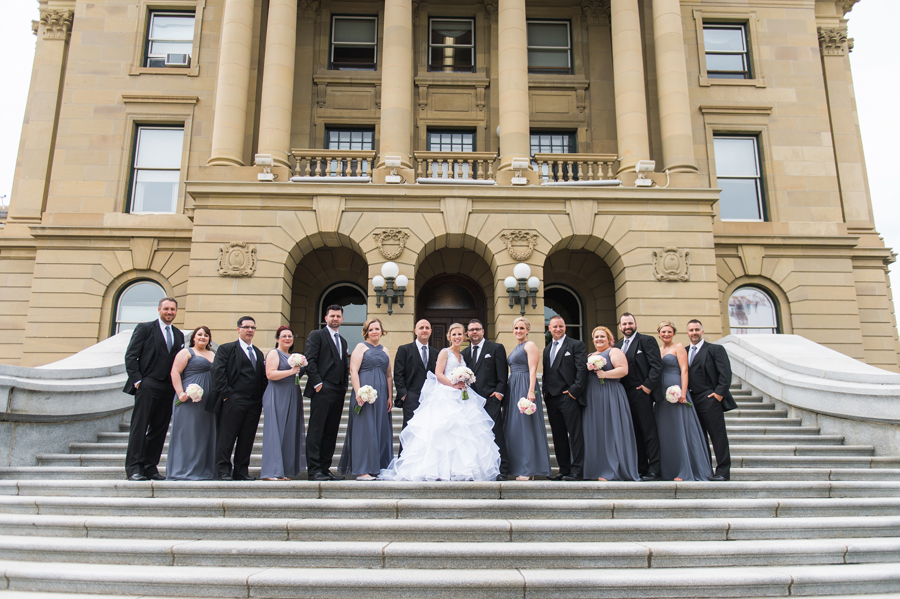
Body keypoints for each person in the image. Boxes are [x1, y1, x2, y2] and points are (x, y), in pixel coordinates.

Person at [379, 323, 500, 481]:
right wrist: (453, 384)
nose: (457, 337)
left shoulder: (463, 356)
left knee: (464, 433)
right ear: (449, 336)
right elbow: (438, 373)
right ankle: (437, 470)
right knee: (443, 431)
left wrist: (464, 381)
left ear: (464, 337)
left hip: (462, 396)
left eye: (460, 334)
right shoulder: (444, 352)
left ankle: (459, 470)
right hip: (445, 396)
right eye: (454, 334)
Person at [123, 297, 184, 481]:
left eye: (172, 309)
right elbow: (131, 356)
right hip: (148, 384)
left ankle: (150, 466)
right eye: (166, 309)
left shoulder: (179, 334)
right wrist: (138, 381)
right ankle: (134, 468)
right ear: (159, 310)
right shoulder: (145, 328)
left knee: (159, 429)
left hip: (167, 388)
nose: (169, 312)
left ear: (176, 311)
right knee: (139, 427)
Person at [206, 316, 268, 481]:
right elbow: (217, 372)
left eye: (253, 328)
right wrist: (227, 395)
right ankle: (223, 471)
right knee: (227, 437)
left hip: (253, 403)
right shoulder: (227, 349)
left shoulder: (258, 353)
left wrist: (260, 399)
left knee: (247, 438)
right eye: (246, 327)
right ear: (238, 329)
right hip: (233, 400)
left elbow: (262, 378)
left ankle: (241, 471)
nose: (250, 330)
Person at [655, 321, 712, 481]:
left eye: (669, 332)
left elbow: (684, 369)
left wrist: (683, 392)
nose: (666, 334)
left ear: (673, 333)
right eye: (663, 332)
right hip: (662, 396)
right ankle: (669, 470)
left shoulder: (679, 347)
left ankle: (685, 470)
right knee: (666, 432)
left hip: (676, 389)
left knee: (680, 429)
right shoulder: (658, 350)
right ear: (659, 334)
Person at [339, 318, 394, 480]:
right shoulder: (361, 347)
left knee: (380, 429)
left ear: (381, 331)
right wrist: (358, 392)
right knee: (365, 430)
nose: (374, 332)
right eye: (371, 330)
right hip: (364, 394)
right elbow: (353, 370)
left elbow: (389, 375)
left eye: (377, 329)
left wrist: (390, 396)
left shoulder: (385, 350)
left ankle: (379, 467)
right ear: (366, 332)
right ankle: (363, 470)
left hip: (382, 395)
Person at [583, 325, 639, 481]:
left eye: (602, 336)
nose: (599, 339)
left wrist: (605, 374)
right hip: (593, 397)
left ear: (609, 339)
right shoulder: (591, 354)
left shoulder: (614, 351)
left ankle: (611, 470)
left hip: (610, 394)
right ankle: (595, 469)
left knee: (610, 431)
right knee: (597, 432)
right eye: (596, 337)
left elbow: (623, 370)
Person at [615, 313, 664, 481]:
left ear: (635, 324)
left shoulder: (646, 340)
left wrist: (648, 387)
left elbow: (656, 366)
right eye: (624, 324)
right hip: (624, 394)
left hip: (642, 393)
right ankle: (641, 467)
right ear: (620, 326)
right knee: (634, 432)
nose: (627, 326)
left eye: (630, 323)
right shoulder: (619, 345)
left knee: (648, 431)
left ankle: (655, 469)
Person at [686, 319, 736, 481]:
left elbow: (725, 373)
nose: (694, 333)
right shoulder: (684, 351)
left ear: (702, 331)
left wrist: (719, 394)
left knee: (718, 436)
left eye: (697, 329)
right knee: (699, 437)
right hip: (691, 401)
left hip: (709, 398)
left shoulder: (715, 349)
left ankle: (723, 472)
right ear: (687, 333)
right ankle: (705, 470)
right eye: (691, 330)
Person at [304, 304, 350, 482]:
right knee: (317, 431)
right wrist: (317, 383)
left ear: (342, 319)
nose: (335, 319)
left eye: (338, 316)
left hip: (338, 390)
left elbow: (343, 365)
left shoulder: (343, 341)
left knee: (331, 431)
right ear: (326, 318)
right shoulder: (317, 335)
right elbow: (310, 360)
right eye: (332, 316)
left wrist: (344, 385)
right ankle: (314, 470)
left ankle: (325, 468)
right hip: (322, 389)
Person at [166, 326, 216, 480]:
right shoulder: (186, 352)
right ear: (193, 337)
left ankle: (204, 469)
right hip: (188, 399)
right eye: (199, 334)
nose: (203, 337)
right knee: (188, 433)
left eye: (206, 335)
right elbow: (175, 372)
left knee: (204, 434)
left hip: (208, 402)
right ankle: (183, 469)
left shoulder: (213, 354)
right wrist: (180, 392)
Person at [462, 319, 509, 480]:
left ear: (483, 331)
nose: (474, 332)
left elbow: (502, 374)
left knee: (496, 434)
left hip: (491, 399)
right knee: (476, 436)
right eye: (471, 330)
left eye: (477, 329)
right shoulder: (464, 354)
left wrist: (499, 393)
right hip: (473, 403)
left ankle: (503, 469)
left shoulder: (495, 348)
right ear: (467, 334)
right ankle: (482, 469)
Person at [504, 317, 551, 480]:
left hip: (524, 385)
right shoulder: (517, 347)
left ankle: (528, 469)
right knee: (515, 428)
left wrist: (531, 391)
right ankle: (518, 466)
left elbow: (533, 369)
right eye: (516, 328)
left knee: (526, 428)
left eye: (522, 328)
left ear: (528, 330)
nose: (518, 331)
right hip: (514, 386)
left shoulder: (530, 345)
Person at [542, 315, 588, 481]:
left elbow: (581, 370)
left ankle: (577, 471)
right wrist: (545, 392)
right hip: (552, 398)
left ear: (565, 327)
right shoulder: (547, 349)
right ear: (549, 328)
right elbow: (547, 373)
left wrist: (574, 391)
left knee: (575, 435)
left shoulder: (576, 345)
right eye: (554, 327)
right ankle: (564, 469)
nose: (558, 329)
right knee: (558, 435)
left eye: (560, 326)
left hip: (569, 397)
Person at [260, 326, 306, 481]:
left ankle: (283, 470)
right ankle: (271, 471)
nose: (287, 338)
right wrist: (291, 372)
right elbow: (270, 374)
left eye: (290, 336)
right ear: (278, 338)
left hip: (292, 392)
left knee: (288, 432)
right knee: (275, 431)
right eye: (284, 336)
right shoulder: (274, 353)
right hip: (277, 393)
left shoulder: (292, 356)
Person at [393, 319, 438, 455]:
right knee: (409, 428)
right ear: (415, 331)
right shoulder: (404, 349)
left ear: (430, 331)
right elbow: (398, 373)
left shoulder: (436, 353)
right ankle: (404, 460)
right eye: (421, 327)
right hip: (411, 395)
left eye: (427, 328)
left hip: (430, 398)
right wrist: (404, 394)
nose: (424, 330)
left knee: (428, 430)